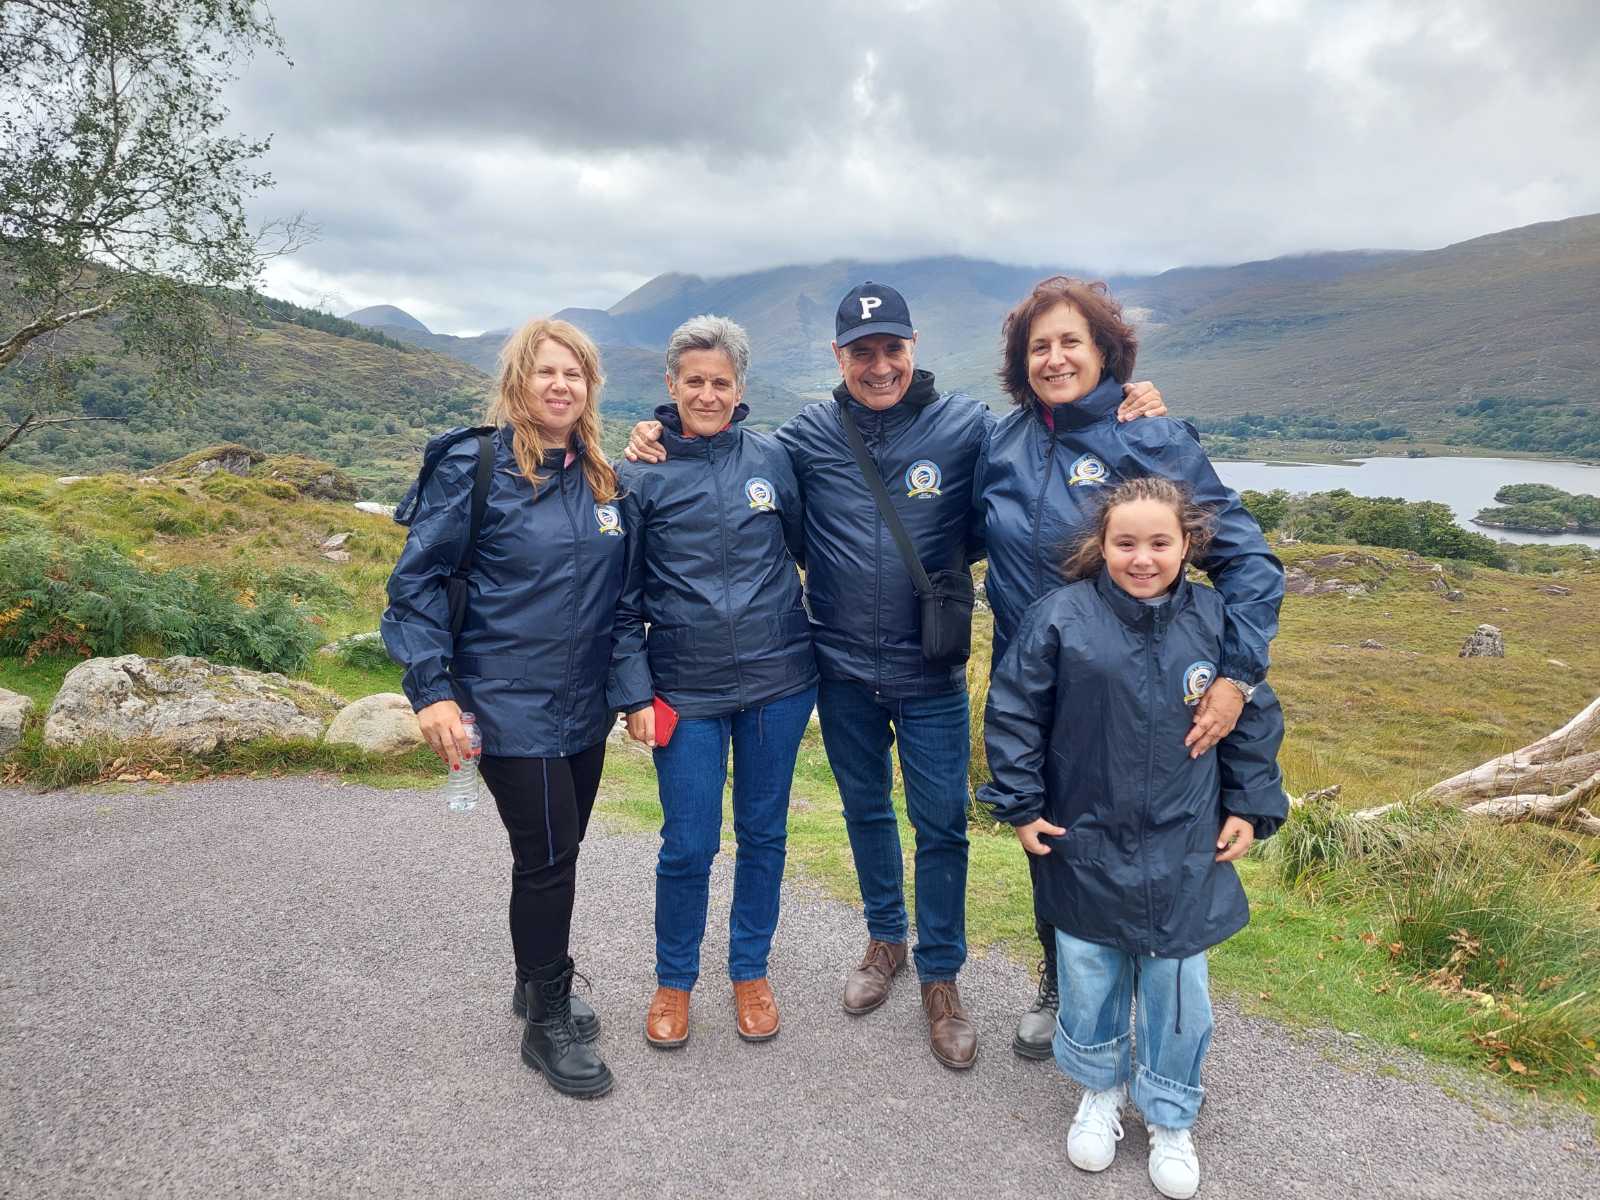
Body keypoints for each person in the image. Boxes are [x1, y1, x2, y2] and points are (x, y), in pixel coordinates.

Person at [627, 282, 1167, 1069]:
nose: (878, 365)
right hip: (840, 666)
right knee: (866, 812)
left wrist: (1127, 406)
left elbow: (1035, 467)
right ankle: (885, 941)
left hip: (930, 670)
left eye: (892, 349)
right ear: (838, 356)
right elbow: (731, 467)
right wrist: (656, 431)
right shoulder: (805, 436)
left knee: (942, 825)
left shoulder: (968, 428)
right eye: (861, 352)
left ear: (913, 349)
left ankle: (941, 977)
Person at [972, 277, 1284, 1060]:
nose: (1054, 358)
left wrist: (1237, 676)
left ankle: (1158, 1009)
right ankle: (1062, 985)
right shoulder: (1002, 443)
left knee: (1147, 842)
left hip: (1136, 684)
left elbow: (1247, 563)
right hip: (1037, 687)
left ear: (1106, 351)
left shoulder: (1151, 437)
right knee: (1053, 839)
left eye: (1071, 342)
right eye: (1039, 346)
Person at [980, 476, 1287, 1199]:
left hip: (1186, 837)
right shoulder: (1061, 617)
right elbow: (1015, 712)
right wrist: (1021, 805)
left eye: (1159, 543)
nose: (1142, 558)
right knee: (1088, 971)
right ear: (1102, 544)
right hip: (1084, 832)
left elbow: (1252, 720)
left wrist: (1249, 804)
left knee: (1179, 985)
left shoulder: (1216, 621)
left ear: (1187, 545)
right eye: (1125, 543)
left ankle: (1171, 1113)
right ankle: (1100, 1091)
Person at [382, 317, 624, 1100]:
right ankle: (545, 1022)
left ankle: (533, 980)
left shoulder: (600, 476)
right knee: (547, 858)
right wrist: (432, 691)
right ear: (519, 380)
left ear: (590, 388)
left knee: (562, 847)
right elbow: (415, 585)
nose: (560, 385)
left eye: (574, 374)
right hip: (505, 701)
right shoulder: (474, 467)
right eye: (546, 371)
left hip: (583, 704)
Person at [608, 315, 818, 1049]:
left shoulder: (773, 458)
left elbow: (807, 548)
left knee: (764, 834)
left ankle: (750, 971)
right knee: (689, 844)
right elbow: (620, 600)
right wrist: (634, 693)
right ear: (670, 385)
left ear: (740, 387)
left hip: (779, 682)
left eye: (720, 382)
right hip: (683, 691)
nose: (707, 394)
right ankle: (674, 980)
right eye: (693, 381)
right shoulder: (638, 474)